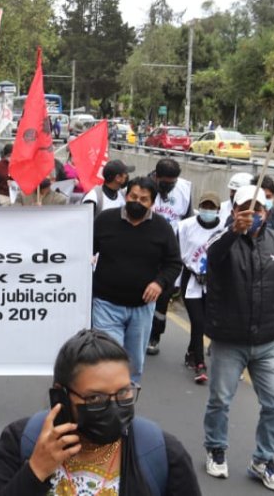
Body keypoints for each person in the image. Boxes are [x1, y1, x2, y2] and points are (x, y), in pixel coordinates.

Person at [0, 329, 200, 496]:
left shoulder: (162, 453)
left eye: (123, 393)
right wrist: (35, 471)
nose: (113, 407)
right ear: (61, 396)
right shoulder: (21, 441)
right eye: (95, 398)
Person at [201, 185, 274, 492]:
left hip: (269, 340)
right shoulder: (220, 240)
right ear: (233, 212)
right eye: (244, 209)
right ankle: (216, 448)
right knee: (220, 400)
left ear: (266, 213)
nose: (252, 215)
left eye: (257, 209)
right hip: (228, 339)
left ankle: (263, 460)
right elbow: (213, 259)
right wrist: (234, 232)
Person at [91, 176, 181, 383]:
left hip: (142, 309)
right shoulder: (105, 220)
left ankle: (126, 406)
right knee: (108, 360)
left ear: (152, 202)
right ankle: (104, 406)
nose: (137, 202)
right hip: (106, 305)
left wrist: (159, 283)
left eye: (143, 199)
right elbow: (85, 247)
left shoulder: (162, 228)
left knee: (134, 364)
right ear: (125, 194)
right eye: (133, 196)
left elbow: (174, 263)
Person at [176, 192, 225, 384]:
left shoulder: (223, 228)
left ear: (218, 210)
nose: (208, 210)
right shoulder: (186, 226)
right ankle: (200, 364)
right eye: (205, 206)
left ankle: (191, 350)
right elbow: (179, 254)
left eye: (212, 207)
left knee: (205, 322)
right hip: (191, 280)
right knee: (197, 321)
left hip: (213, 282)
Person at [146, 159, 192, 356]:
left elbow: (188, 222)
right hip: (146, 250)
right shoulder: (143, 187)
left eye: (172, 182)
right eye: (165, 183)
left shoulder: (185, 190)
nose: (169, 186)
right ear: (156, 177)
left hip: (170, 252)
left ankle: (155, 336)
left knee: (162, 298)